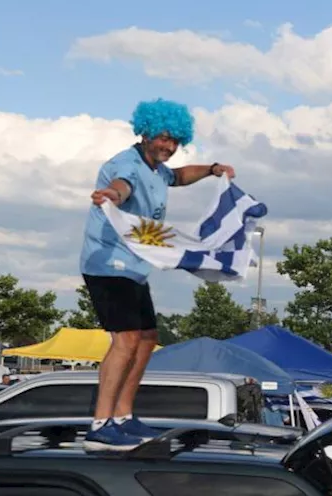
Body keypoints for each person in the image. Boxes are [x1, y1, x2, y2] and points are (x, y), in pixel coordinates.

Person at [81, 98, 235, 452]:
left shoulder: (157, 169)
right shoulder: (127, 165)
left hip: (134, 266)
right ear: (146, 131)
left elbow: (179, 177)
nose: (168, 146)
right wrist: (111, 196)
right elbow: (122, 186)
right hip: (107, 264)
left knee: (148, 337)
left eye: (174, 141)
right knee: (127, 340)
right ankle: (100, 425)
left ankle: (123, 416)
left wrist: (212, 169)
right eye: (163, 138)